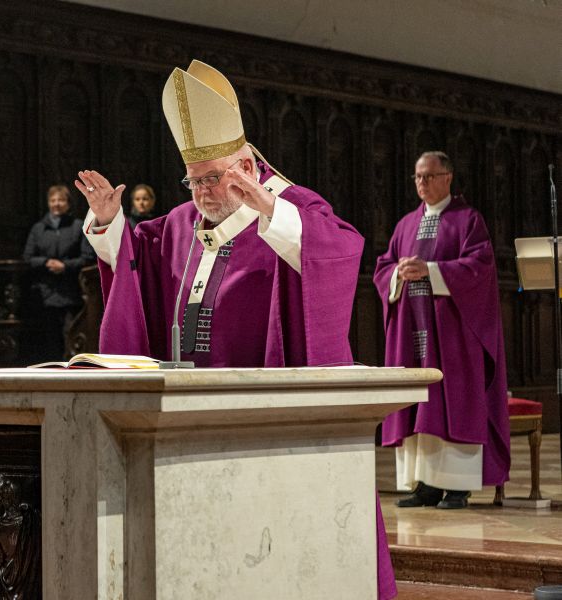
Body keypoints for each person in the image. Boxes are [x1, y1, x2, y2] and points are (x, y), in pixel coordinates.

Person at [75, 60, 395, 599]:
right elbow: (136, 261)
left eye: (213, 178)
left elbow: (341, 247)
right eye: (193, 179)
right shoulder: (179, 223)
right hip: (185, 419)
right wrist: (109, 225)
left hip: (265, 420)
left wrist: (272, 210)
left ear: (245, 165)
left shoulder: (290, 208)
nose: (201, 190)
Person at [375, 151, 510, 510]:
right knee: (419, 401)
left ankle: (457, 486)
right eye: (418, 177)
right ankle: (426, 485)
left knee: (453, 401)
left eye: (429, 176)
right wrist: (396, 275)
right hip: (413, 329)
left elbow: (479, 267)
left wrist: (432, 271)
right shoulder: (405, 224)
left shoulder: (468, 220)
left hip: (452, 336)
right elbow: (383, 265)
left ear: (448, 177)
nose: (422, 183)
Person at [21, 184, 94, 362]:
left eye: (61, 200)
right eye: (53, 200)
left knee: (70, 335)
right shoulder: (39, 229)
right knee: (48, 339)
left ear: (68, 203)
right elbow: (28, 258)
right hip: (44, 294)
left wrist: (65, 266)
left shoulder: (78, 226)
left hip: (70, 293)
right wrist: (46, 263)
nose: (57, 204)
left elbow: (87, 257)